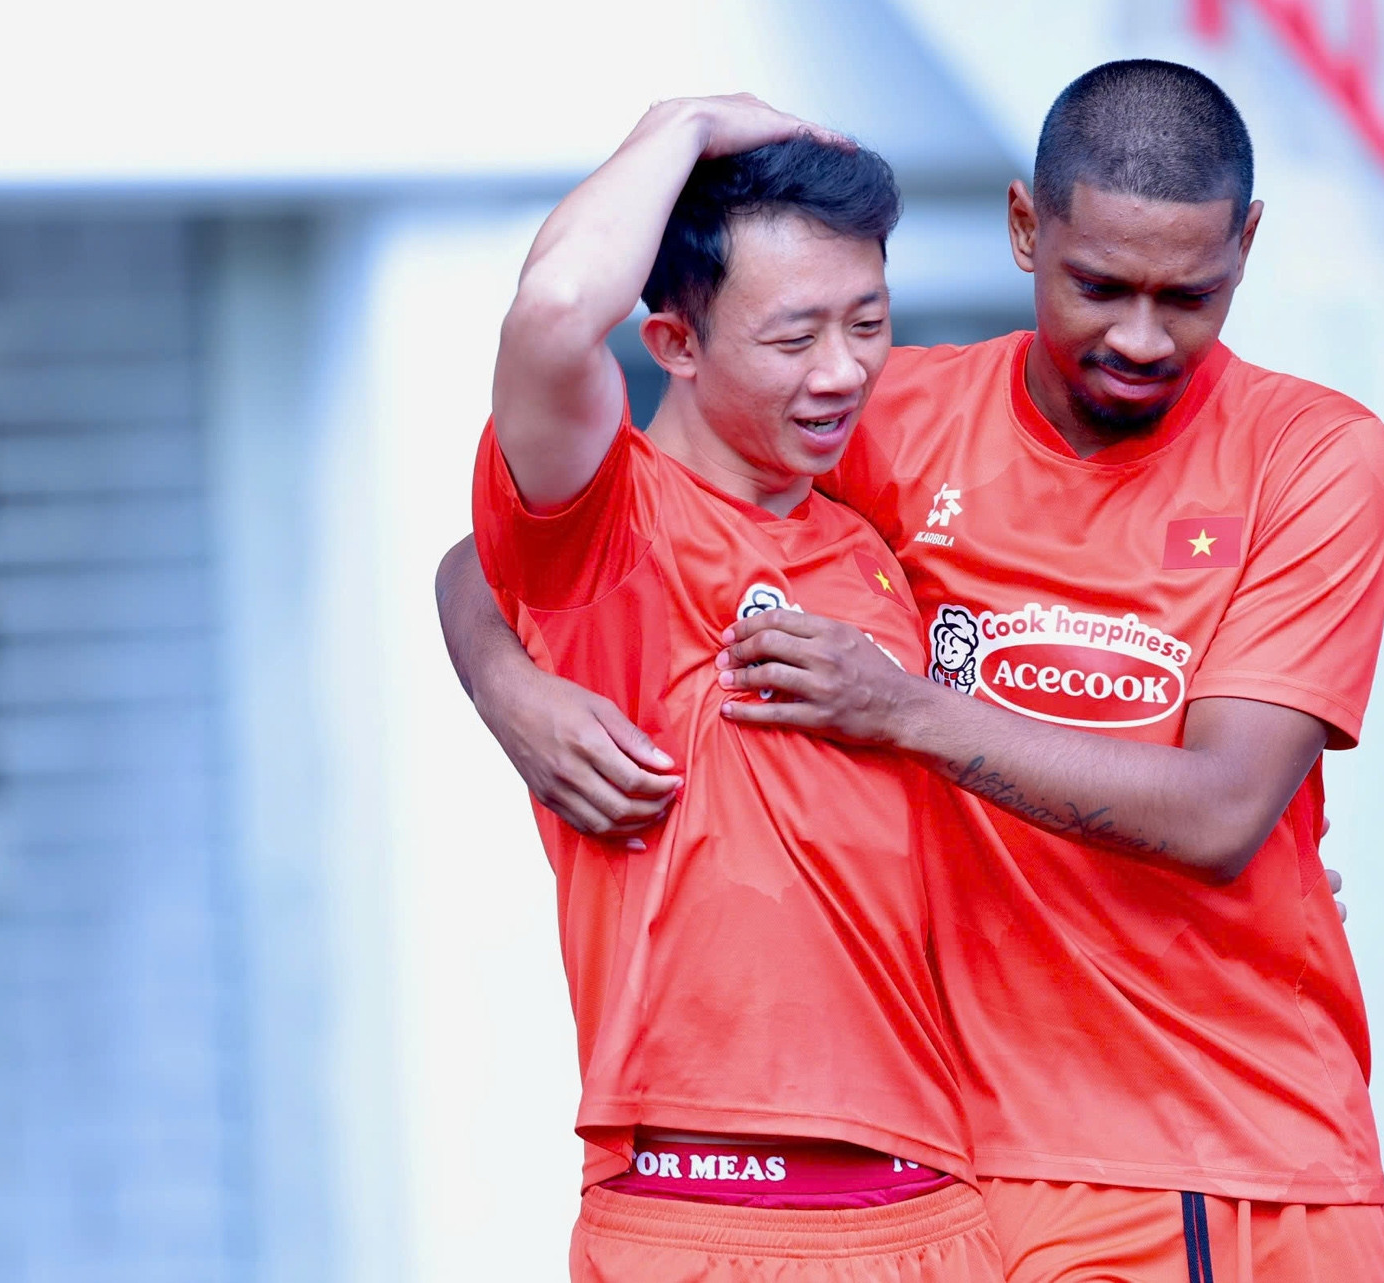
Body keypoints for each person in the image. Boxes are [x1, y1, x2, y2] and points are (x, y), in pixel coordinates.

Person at [442, 61, 1384, 1282]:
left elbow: (1219, 810)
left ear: (1245, 249)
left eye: (1189, 295)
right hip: (950, 1162)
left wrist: (903, 710)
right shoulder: (872, 422)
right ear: (1023, 229)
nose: (1139, 335)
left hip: (1212, 1138)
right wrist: (508, 682)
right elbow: (524, 543)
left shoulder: (1306, 456)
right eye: (1099, 286)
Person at [464, 92, 1003, 1281]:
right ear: (674, 343)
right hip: (703, 1212)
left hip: (936, 1208)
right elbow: (553, 312)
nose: (843, 370)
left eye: (868, 322)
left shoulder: (874, 546)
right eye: (794, 336)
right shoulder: (610, 526)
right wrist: (687, 123)